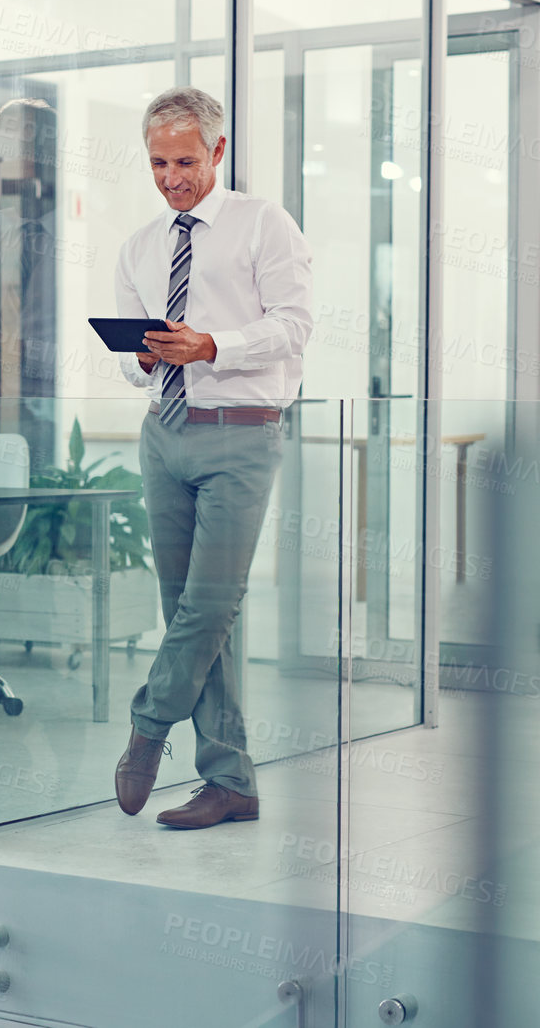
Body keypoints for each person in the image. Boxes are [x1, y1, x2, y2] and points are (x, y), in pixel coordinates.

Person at [111, 86, 314, 830]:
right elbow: (128, 368)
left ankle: (147, 725)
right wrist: (142, 355)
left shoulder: (264, 223)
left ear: (218, 152)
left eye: (185, 161)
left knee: (210, 603)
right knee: (185, 610)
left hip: (242, 429)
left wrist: (211, 344)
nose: (172, 177)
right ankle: (230, 780)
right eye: (159, 163)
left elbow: (293, 326)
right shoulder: (139, 247)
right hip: (163, 431)